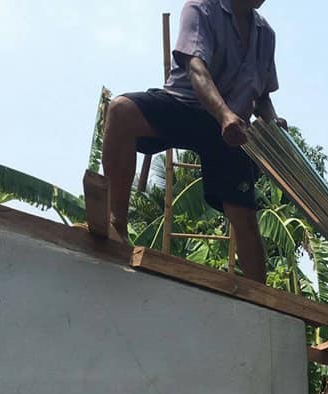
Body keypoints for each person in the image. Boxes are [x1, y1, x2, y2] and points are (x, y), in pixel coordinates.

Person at [102, 0, 285, 283]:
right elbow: (197, 68)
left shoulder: (265, 34)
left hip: (232, 128)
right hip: (186, 105)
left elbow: (262, 96)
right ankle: (116, 226)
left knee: (245, 219)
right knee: (121, 111)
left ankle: (262, 300)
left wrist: (272, 124)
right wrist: (223, 114)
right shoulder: (201, 8)